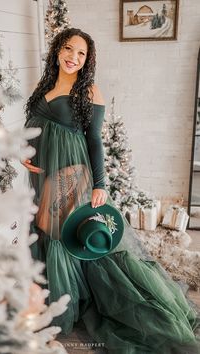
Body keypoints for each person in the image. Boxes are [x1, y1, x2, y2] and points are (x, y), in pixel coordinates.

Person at [23, 28, 200, 354]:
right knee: (49, 232)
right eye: (68, 49)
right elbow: (35, 127)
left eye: (81, 54)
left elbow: (94, 142)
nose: (73, 57)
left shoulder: (88, 90)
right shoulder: (45, 87)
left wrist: (101, 185)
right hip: (43, 175)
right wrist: (27, 155)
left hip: (73, 173)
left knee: (68, 235)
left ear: (87, 60)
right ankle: (55, 299)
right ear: (57, 51)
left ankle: (68, 304)